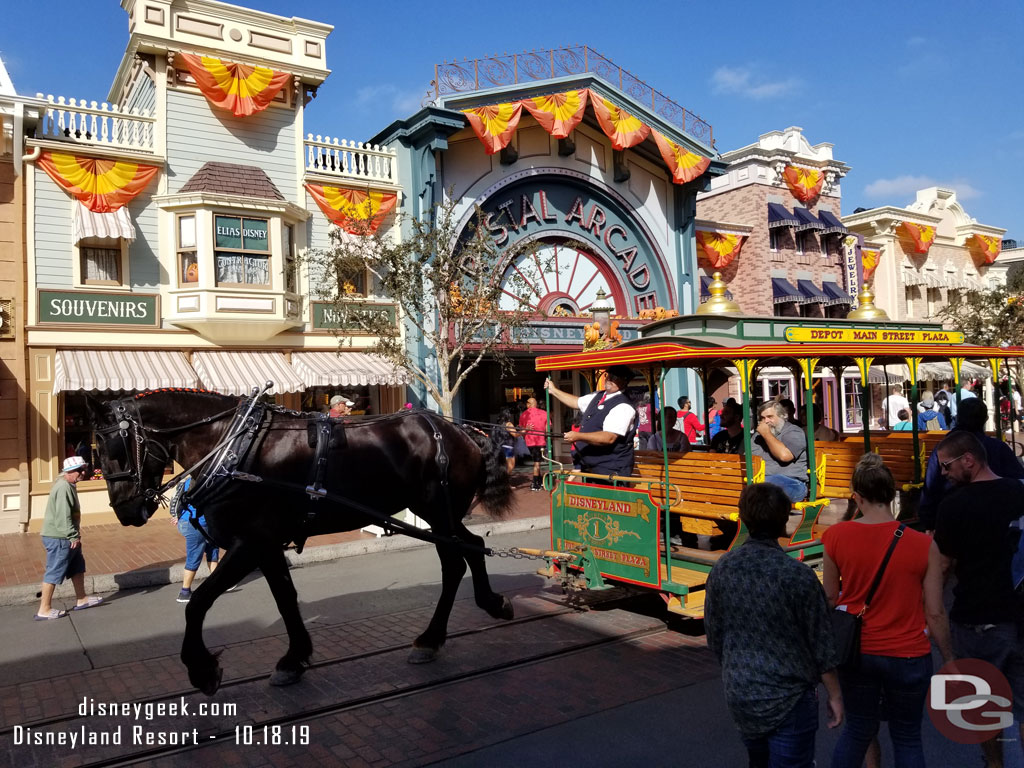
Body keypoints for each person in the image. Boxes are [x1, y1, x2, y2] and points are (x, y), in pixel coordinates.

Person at [823, 454, 954, 768]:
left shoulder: (835, 537)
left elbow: (830, 598)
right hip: (908, 652)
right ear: (892, 493)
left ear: (857, 496)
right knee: (907, 737)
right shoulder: (922, 544)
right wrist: (949, 658)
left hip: (858, 651)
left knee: (857, 730)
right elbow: (935, 612)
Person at [705, 483, 843, 766]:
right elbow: (821, 644)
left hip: (741, 692)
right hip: (790, 696)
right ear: (783, 521)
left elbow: (715, 635)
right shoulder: (797, 576)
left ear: (744, 518)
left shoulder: (722, 569)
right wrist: (835, 694)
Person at [934, 431, 1024, 768]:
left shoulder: (954, 506)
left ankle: (995, 764)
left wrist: (933, 617)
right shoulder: (1019, 491)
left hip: (977, 618)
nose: (943, 473)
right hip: (1019, 614)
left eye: (946, 466)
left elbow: (943, 565)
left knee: (983, 705)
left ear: (968, 460)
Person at [917, 397, 1024, 531]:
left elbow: (930, 490)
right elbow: (1018, 480)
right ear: (985, 419)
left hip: (952, 523)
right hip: (994, 524)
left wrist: (929, 524)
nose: (945, 471)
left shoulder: (944, 449)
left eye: (947, 467)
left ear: (958, 418)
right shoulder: (998, 448)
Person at [36, 456, 104, 620]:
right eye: (80, 470)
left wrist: (74, 535)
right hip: (59, 537)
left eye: (84, 468)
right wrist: (72, 536)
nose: (83, 472)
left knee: (77, 567)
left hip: (66, 536)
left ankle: (82, 599)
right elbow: (62, 516)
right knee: (54, 571)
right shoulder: (63, 487)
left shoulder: (69, 485)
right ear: (68, 472)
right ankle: (44, 609)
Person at [546, 366, 637, 479]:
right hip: (590, 466)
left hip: (611, 470)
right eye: (608, 376)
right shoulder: (598, 395)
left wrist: (578, 436)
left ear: (624, 382)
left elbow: (609, 437)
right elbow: (576, 402)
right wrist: (553, 390)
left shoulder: (623, 406)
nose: (609, 379)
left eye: (615, 377)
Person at [172, 476, 222, 603]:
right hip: (196, 524)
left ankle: (217, 584)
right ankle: (184, 591)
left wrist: (177, 515)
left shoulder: (190, 480)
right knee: (195, 555)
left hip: (192, 522)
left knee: (213, 548)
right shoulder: (207, 482)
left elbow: (179, 500)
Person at [753, 400, 809, 502]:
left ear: (782, 416)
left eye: (770, 417)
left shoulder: (794, 431)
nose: (766, 421)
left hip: (792, 483)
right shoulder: (757, 436)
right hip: (761, 479)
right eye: (762, 418)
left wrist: (766, 434)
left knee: (762, 489)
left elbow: (785, 456)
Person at [519, 397, 548, 491]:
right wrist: (545, 438)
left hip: (530, 442)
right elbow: (547, 430)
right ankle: (535, 483)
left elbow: (521, 431)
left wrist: (525, 437)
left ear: (529, 404)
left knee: (537, 461)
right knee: (537, 463)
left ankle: (537, 481)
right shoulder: (544, 413)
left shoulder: (523, 414)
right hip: (541, 441)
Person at [491, 406, 517, 475]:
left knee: (500, 466)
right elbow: (515, 434)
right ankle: (506, 482)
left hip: (498, 447)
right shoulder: (508, 424)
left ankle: (502, 481)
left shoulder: (496, 425)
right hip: (508, 447)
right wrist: (524, 431)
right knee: (510, 466)